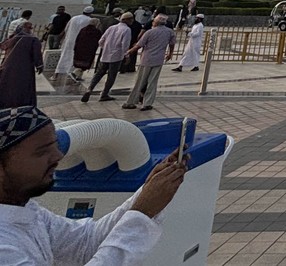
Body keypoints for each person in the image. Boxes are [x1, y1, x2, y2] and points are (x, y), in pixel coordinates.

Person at [0, 106, 188, 265]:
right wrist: (142, 212)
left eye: (55, 147)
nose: (57, 157)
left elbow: (85, 242)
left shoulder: (24, 208)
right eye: (42, 152)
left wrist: (146, 193)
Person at [122, 15, 176, 111]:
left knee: (140, 81)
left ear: (156, 23)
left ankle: (131, 101)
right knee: (152, 82)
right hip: (159, 59)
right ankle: (147, 103)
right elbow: (172, 44)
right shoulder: (170, 32)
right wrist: (170, 53)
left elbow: (139, 45)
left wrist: (129, 52)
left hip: (146, 59)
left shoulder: (150, 32)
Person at [81, 12, 135, 103]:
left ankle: (89, 89)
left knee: (99, 73)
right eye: (131, 19)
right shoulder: (126, 30)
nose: (132, 21)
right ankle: (104, 94)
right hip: (116, 56)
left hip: (105, 54)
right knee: (111, 75)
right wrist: (126, 55)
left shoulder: (112, 28)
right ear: (126, 20)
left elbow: (101, 41)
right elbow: (125, 45)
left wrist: (105, 48)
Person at [0, 24, 44, 108]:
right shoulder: (33, 39)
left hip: (8, 67)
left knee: (7, 86)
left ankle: (6, 105)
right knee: (23, 86)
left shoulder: (12, 38)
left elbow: (3, 47)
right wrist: (39, 65)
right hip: (24, 68)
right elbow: (37, 54)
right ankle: (23, 105)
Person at [56, 6, 95, 82]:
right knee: (78, 58)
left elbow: (66, 28)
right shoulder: (89, 20)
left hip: (69, 40)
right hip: (80, 42)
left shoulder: (74, 18)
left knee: (65, 56)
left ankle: (56, 74)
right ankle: (75, 75)